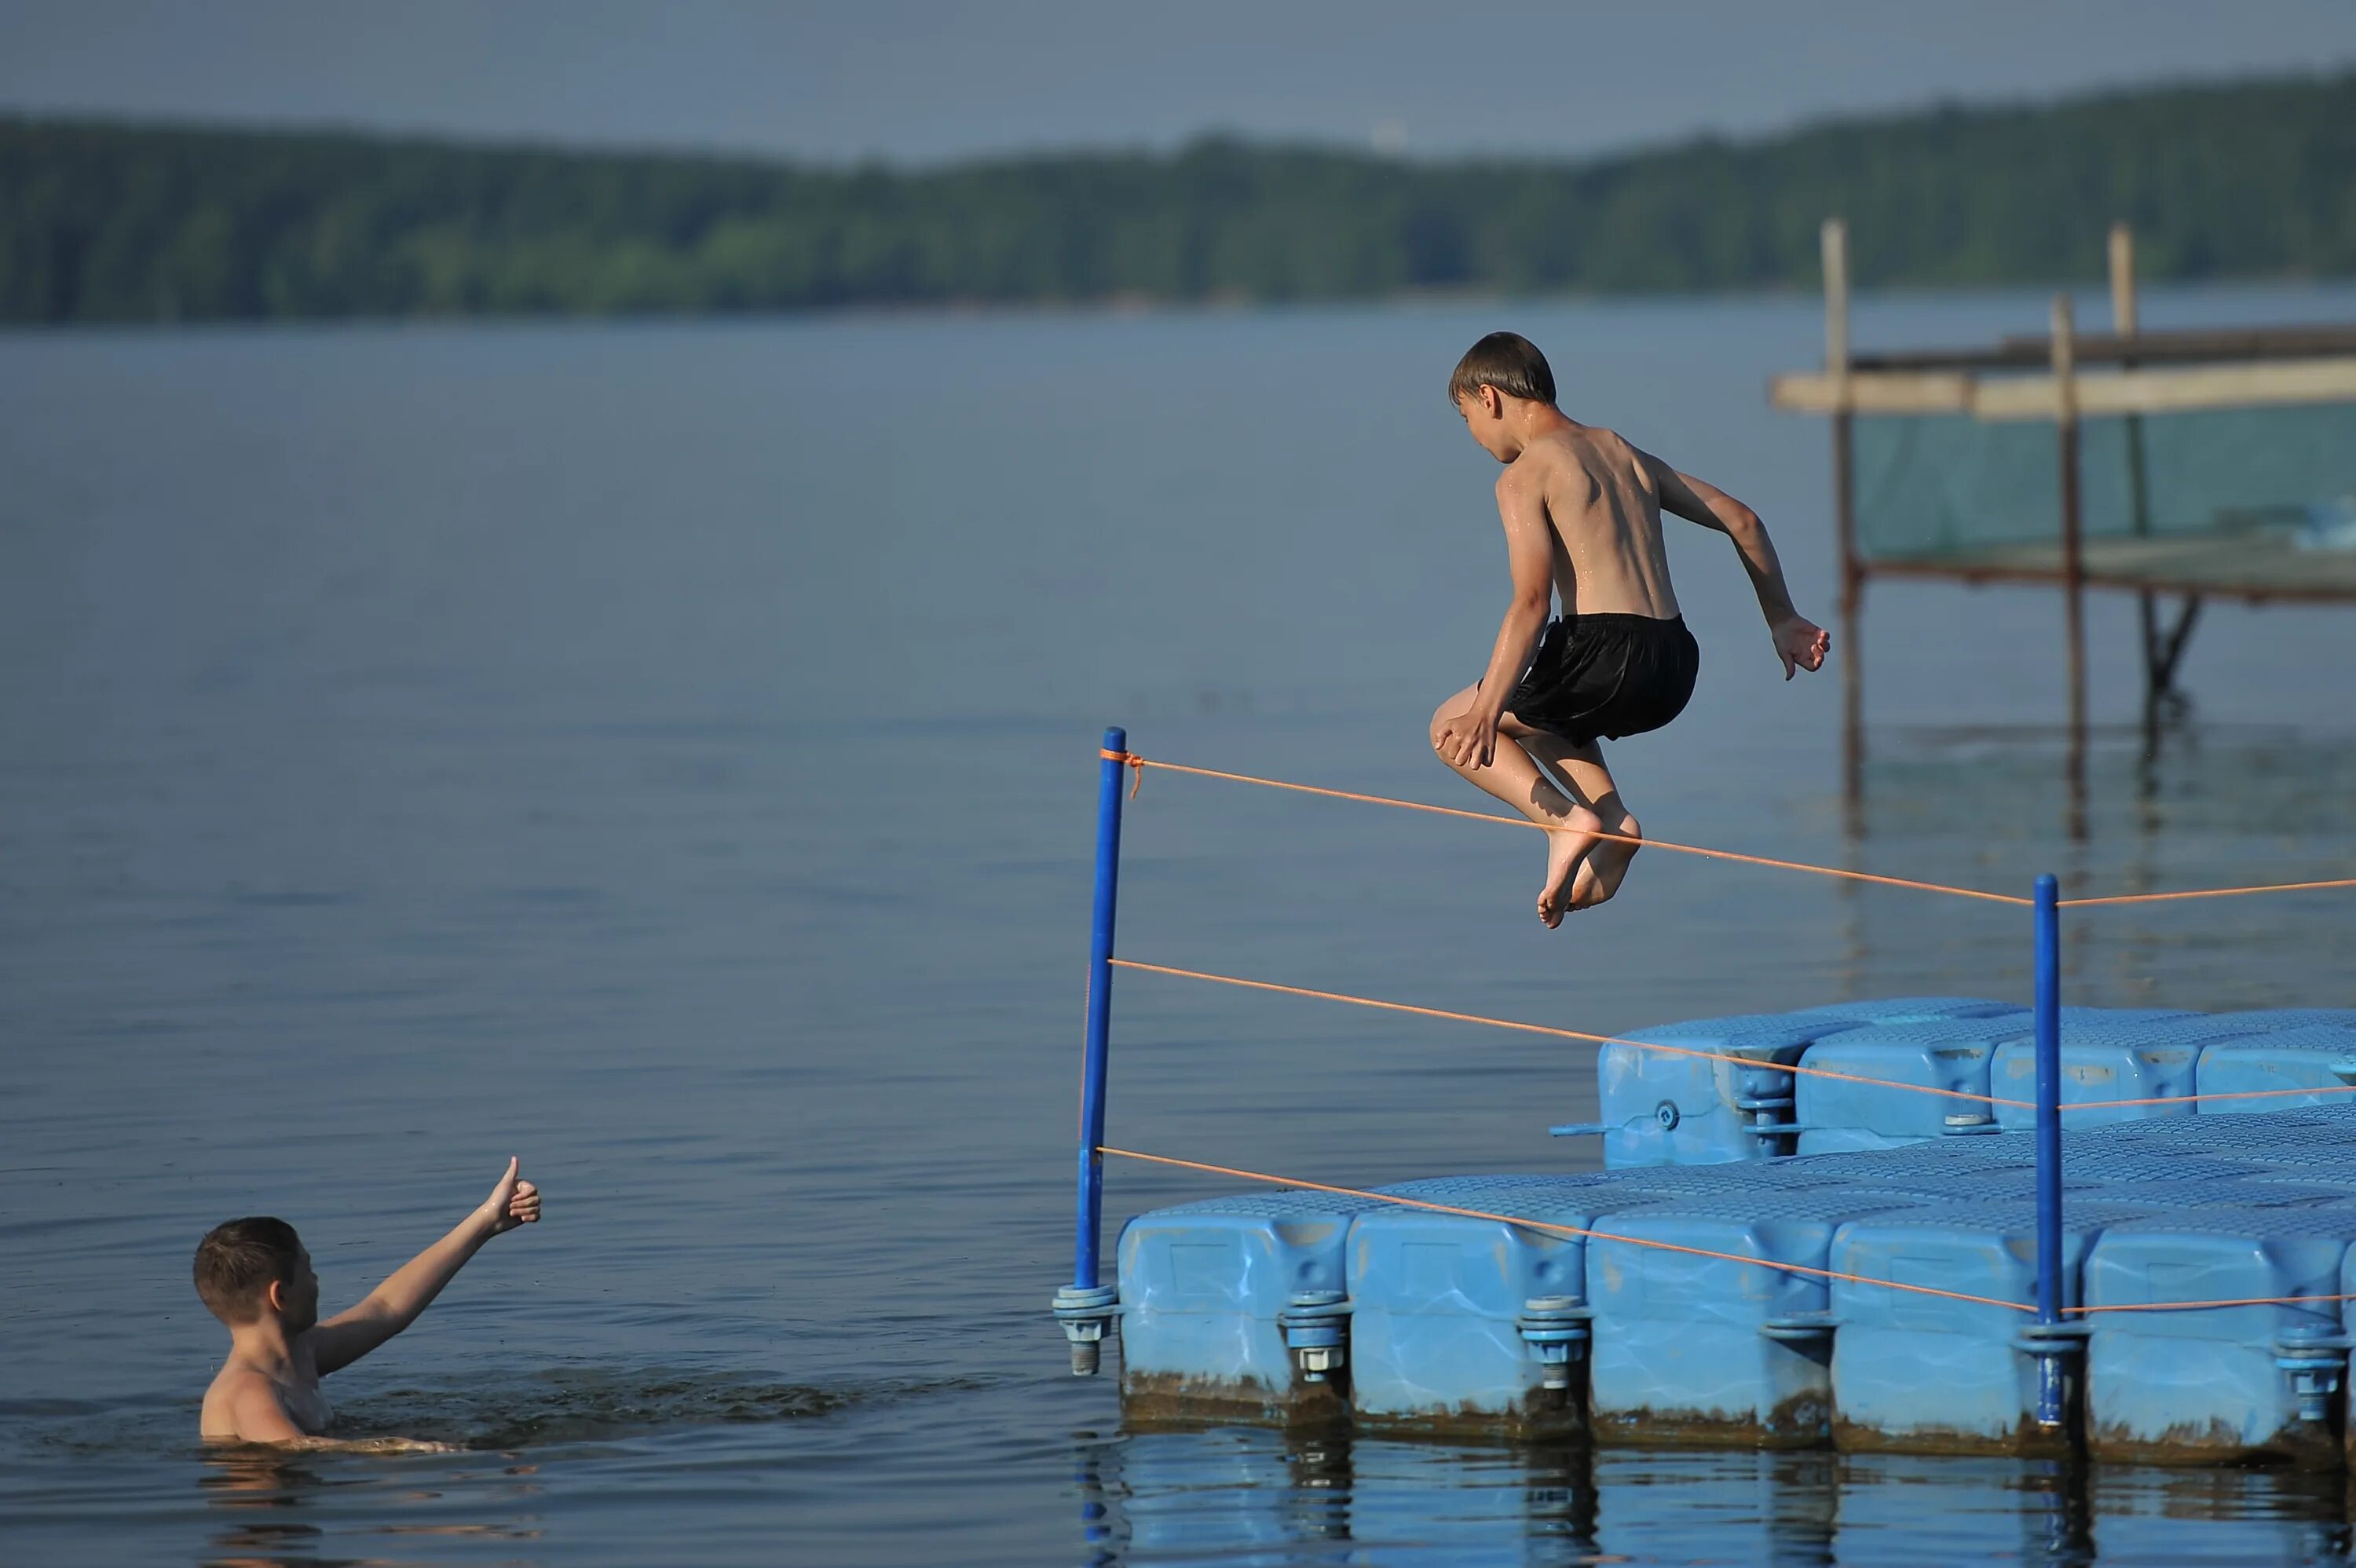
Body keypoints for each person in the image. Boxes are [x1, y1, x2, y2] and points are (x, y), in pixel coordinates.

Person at [1430, 332, 1828, 927]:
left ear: (1488, 398)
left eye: (1465, 417)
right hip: (1673, 664)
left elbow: (1532, 603)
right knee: (1546, 712)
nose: (1473, 435)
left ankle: (1563, 823)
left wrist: (1486, 710)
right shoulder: (1624, 452)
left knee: (1449, 726)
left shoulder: (1525, 475)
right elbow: (1743, 520)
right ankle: (1612, 822)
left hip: (1601, 652)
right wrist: (1782, 618)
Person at [196, 1157, 542, 1443]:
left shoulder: (301, 1353)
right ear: (280, 1295)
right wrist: (395, 1448)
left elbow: (386, 1309)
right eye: (308, 1271)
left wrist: (485, 1223)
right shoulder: (248, 1390)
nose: (316, 1281)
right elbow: (296, 1448)